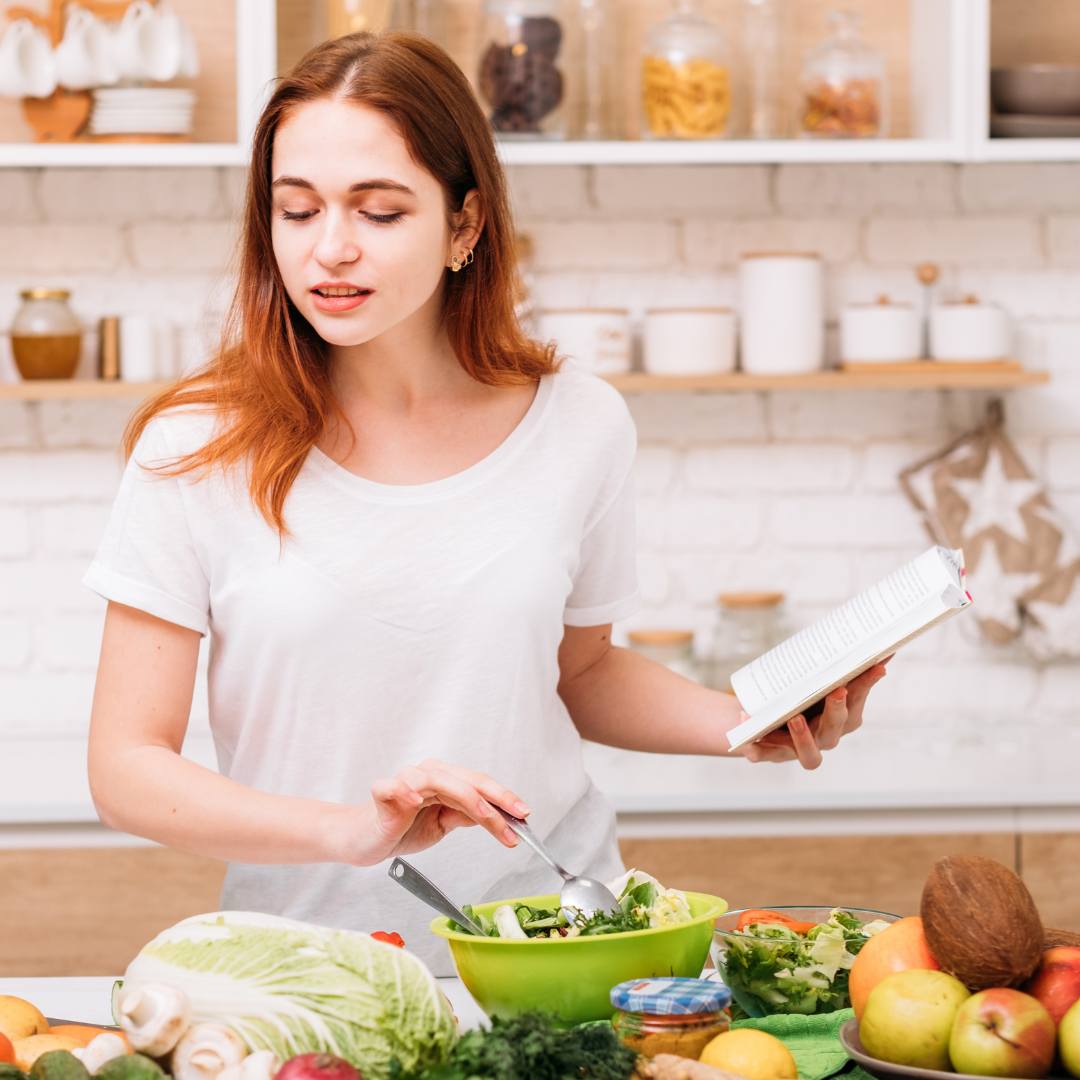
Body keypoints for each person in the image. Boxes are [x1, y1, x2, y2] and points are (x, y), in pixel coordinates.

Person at [85, 31, 886, 973]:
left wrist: (747, 722)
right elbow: (125, 766)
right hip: (311, 963)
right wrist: (354, 830)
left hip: (566, 944)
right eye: (296, 211)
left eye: (378, 212)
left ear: (465, 225)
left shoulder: (579, 422)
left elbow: (579, 673)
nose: (329, 249)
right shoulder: (199, 443)